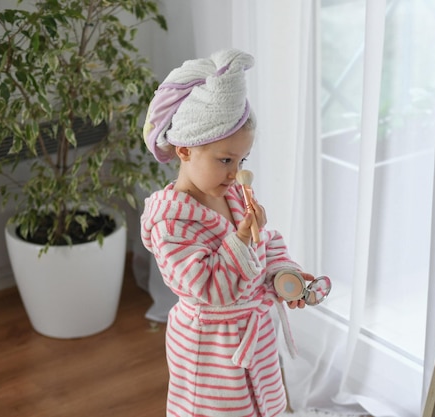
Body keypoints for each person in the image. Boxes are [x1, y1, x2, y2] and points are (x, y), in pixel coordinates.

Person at [140, 48, 314, 417]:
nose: (236, 173)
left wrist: (283, 272)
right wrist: (243, 240)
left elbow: (267, 244)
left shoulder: (231, 193)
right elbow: (208, 287)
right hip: (211, 350)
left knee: (261, 406)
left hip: (254, 336)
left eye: (241, 160)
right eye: (225, 160)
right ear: (185, 151)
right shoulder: (170, 224)